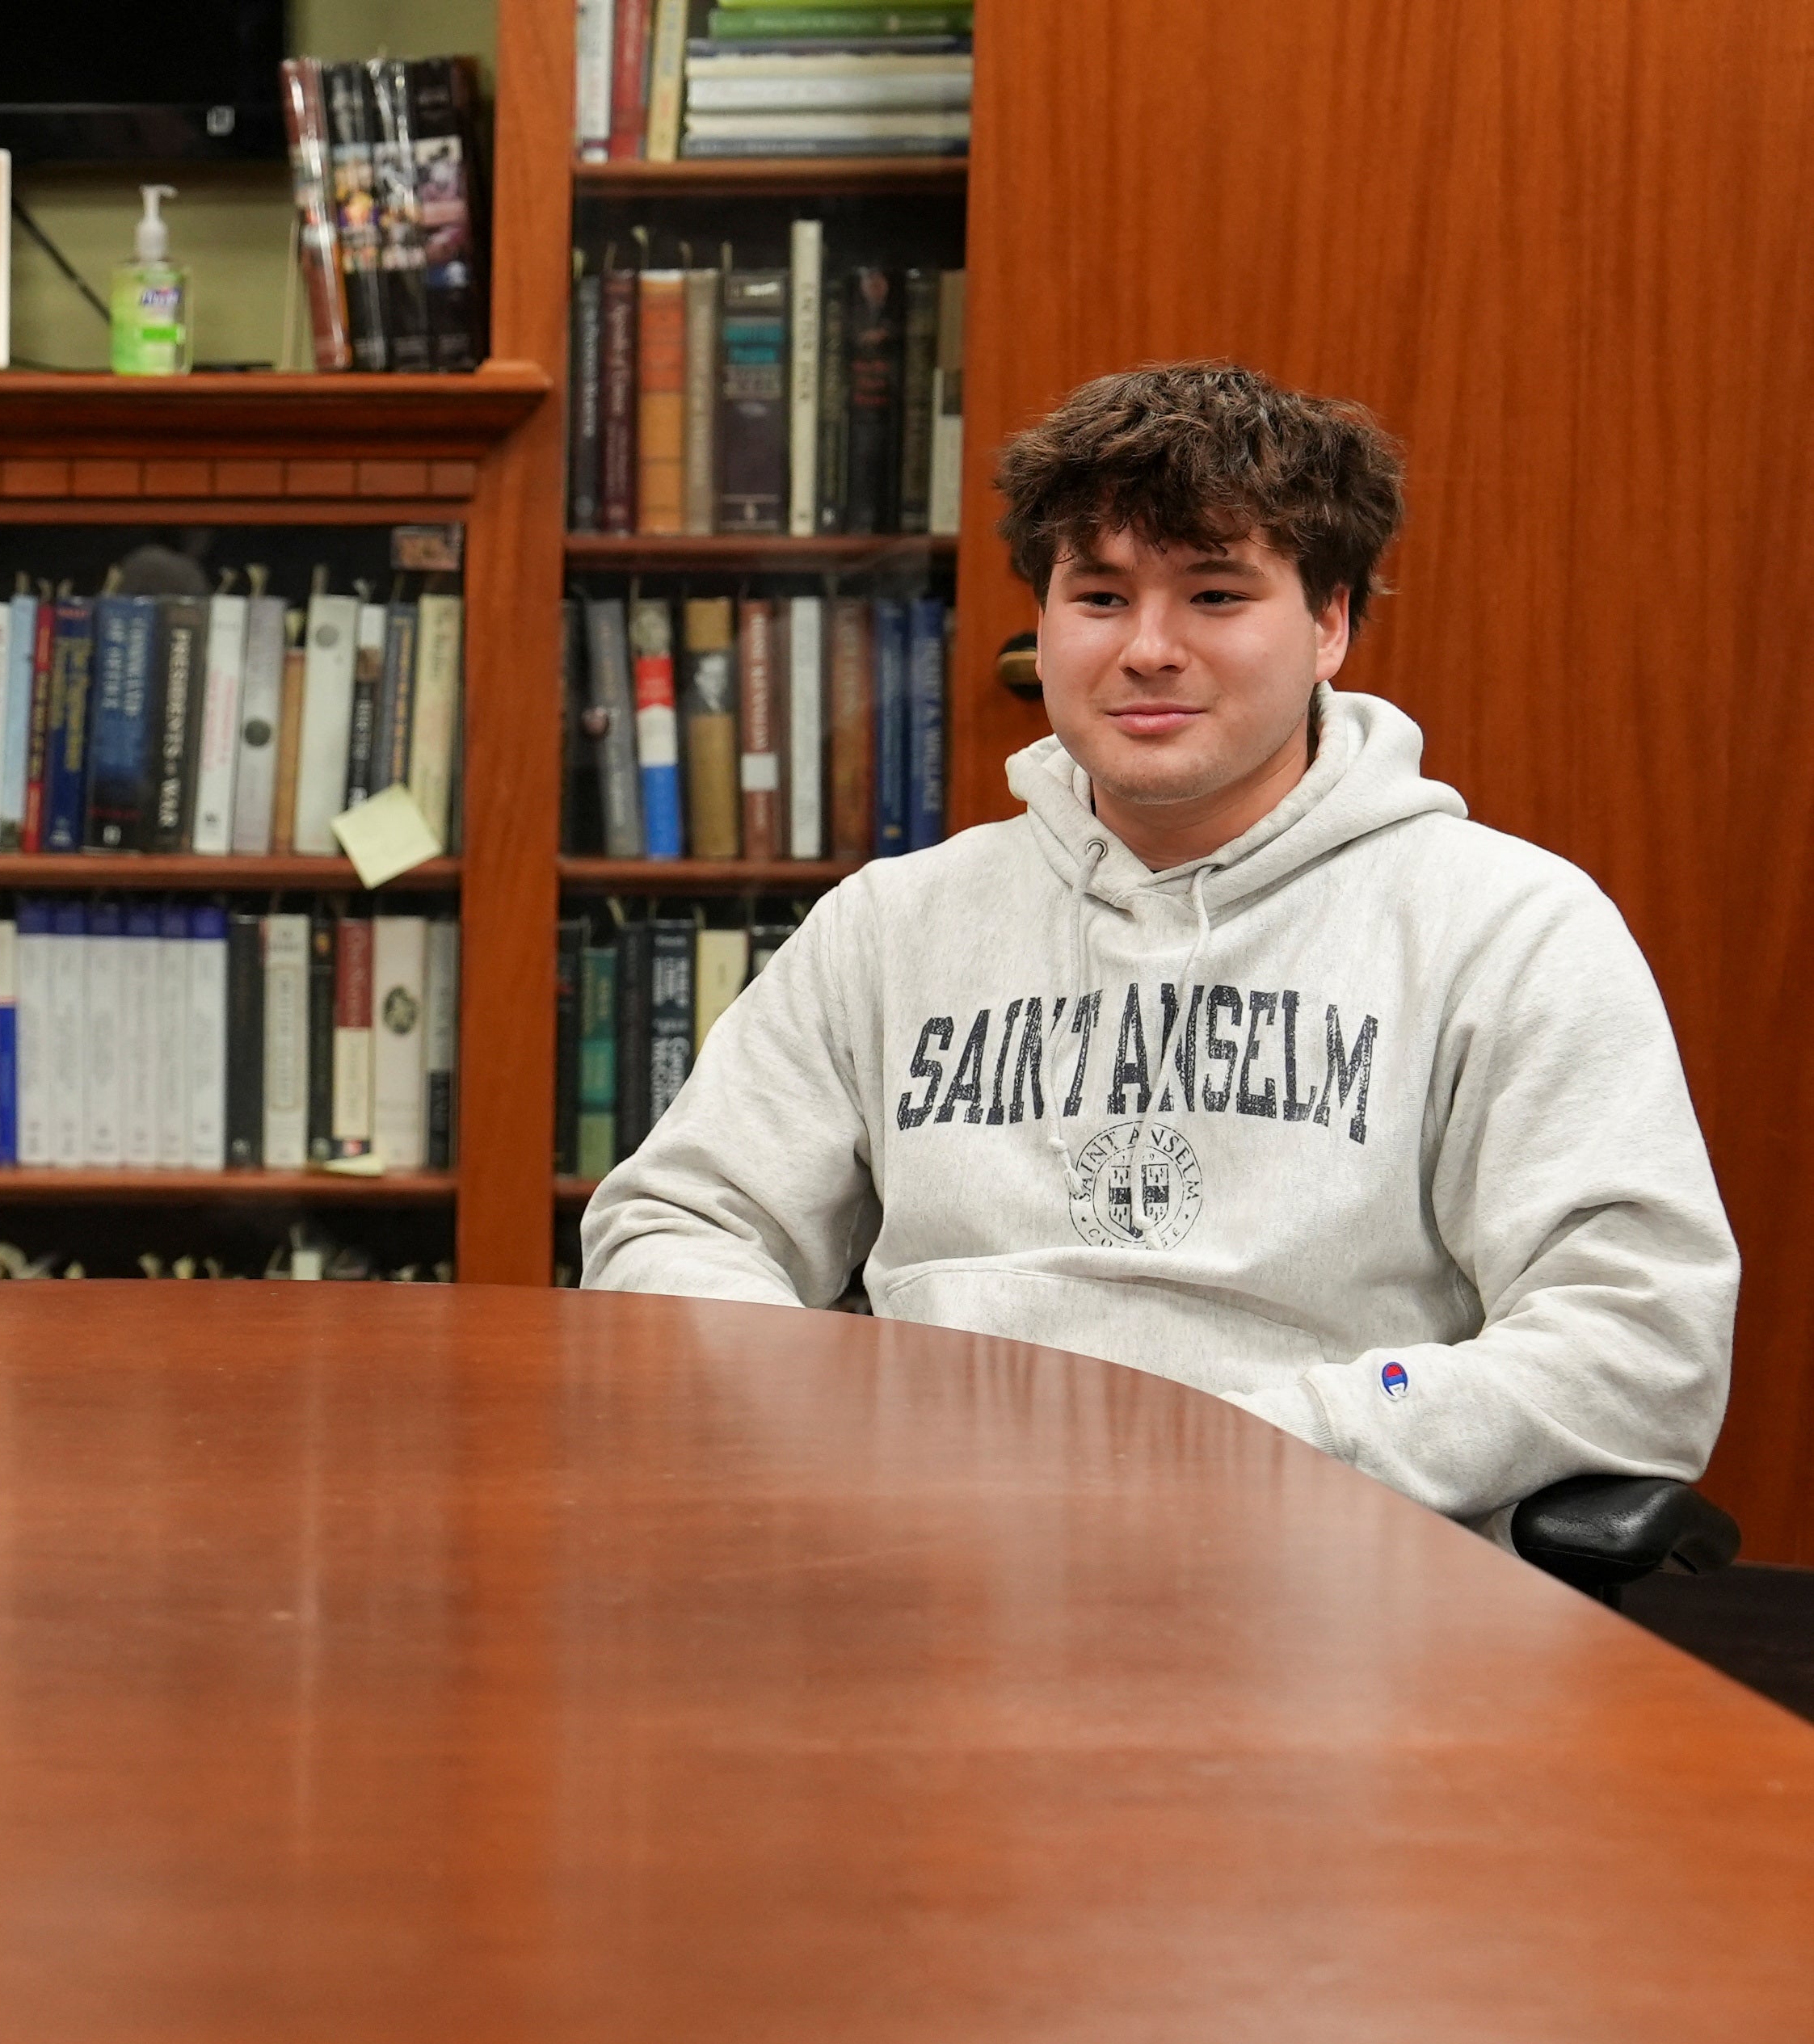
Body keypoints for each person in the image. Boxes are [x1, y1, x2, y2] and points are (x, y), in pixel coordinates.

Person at [579, 360, 1736, 1529]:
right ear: (1042, 623)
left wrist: (1255, 1453)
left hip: (1324, 1581)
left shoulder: (1508, 928)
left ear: (1330, 623)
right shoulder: (892, 924)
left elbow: (1639, 1341)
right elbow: (674, 1224)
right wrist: (845, 1421)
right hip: (925, 1561)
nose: (1148, 648)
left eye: (1216, 595)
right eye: (1099, 597)